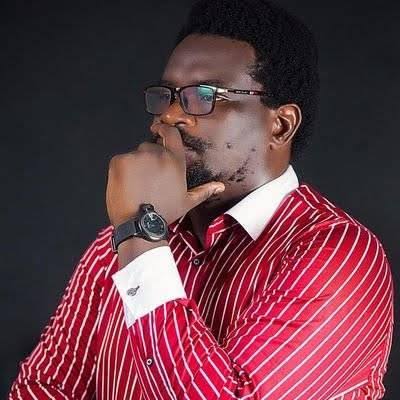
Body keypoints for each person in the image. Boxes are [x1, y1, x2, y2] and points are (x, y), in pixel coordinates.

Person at [9, 0, 394, 399]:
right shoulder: (118, 246)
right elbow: (40, 388)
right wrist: (140, 236)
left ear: (281, 125)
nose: (170, 116)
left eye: (203, 95)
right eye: (167, 95)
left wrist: (142, 239)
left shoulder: (338, 256)